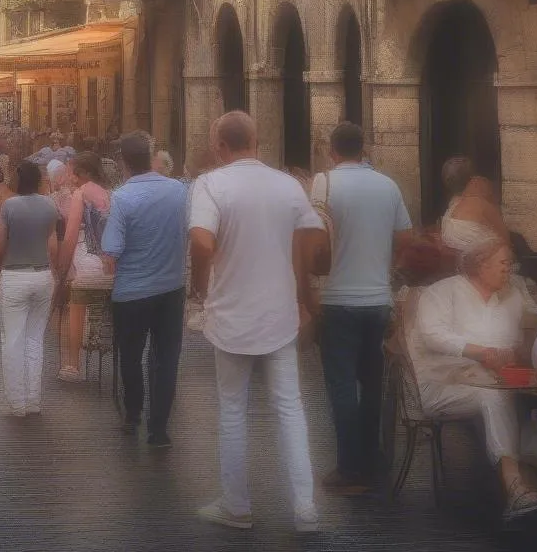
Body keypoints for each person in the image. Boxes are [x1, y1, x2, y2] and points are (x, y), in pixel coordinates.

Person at [189, 111, 324, 533]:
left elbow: (200, 239)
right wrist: (303, 294)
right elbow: (314, 241)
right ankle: (305, 508)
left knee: (232, 409)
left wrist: (200, 284)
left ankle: (237, 504)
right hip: (279, 312)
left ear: (219, 147)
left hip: (231, 313)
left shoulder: (210, 184)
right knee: (290, 409)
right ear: (257, 142)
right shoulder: (288, 185)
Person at [409, 237, 537, 520]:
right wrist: (482, 352)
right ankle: (515, 487)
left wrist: (523, 347)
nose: (510, 269)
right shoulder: (441, 292)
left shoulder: (513, 294)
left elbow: (531, 325)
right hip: (443, 384)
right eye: (504, 263)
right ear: (480, 265)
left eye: (511, 263)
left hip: (497, 379)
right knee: (493, 397)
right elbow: (433, 336)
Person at [311, 121, 413, 493]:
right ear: (364, 147)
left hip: (338, 299)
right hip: (377, 299)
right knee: (372, 384)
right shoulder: (388, 185)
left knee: (340, 386)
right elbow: (405, 236)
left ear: (332, 149)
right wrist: (387, 266)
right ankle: (373, 459)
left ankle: (349, 469)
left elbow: (312, 239)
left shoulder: (325, 184)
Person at [101, 132, 187, 449]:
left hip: (132, 292)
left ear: (123, 162)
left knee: (132, 356)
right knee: (166, 358)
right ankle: (159, 428)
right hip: (170, 288)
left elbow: (111, 249)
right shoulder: (178, 190)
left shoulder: (122, 198)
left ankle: (133, 413)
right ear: (151, 158)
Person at [0, 160, 59, 416]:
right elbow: (52, 245)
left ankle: (16, 402)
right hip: (42, 275)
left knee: (13, 340)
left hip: (14, 275)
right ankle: (34, 399)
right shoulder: (50, 205)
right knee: (35, 339)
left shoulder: (9, 206)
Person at [57, 152, 112, 380]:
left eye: (71, 172)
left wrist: (61, 270)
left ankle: (72, 364)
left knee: (74, 305)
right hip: (109, 261)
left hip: (87, 257)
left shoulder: (81, 194)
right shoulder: (111, 194)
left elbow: (70, 238)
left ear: (82, 174)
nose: (69, 177)